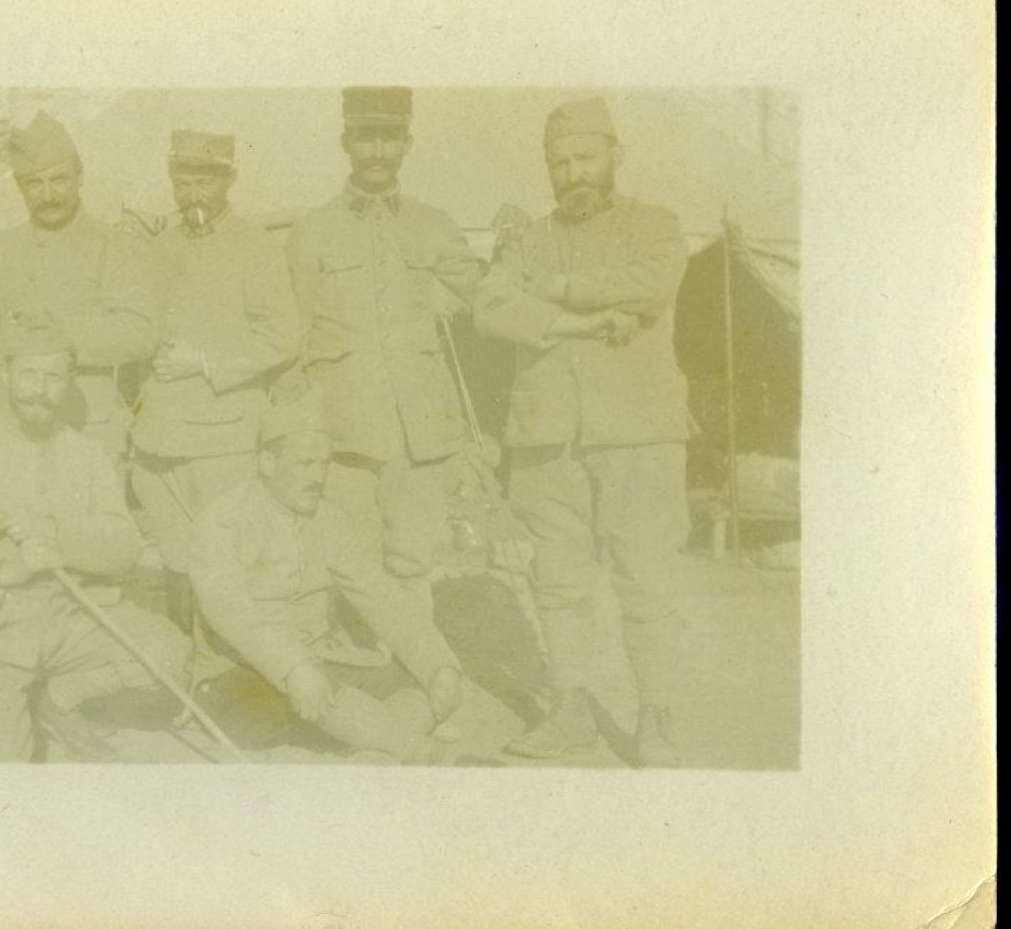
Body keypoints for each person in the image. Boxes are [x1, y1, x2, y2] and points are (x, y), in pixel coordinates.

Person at [472, 97, 693, 767]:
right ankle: (569, 711)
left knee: (646, 580)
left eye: (584, 158)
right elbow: (489, 308)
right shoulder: (527, 240)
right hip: (545, 438)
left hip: (639, 437)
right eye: (558, 162)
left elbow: (650, 285)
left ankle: (655, 718)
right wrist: (582, 320)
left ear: (615, 156)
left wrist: (560, 286)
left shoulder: (656, 226)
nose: (572, 173)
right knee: (556, 583)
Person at [0, 320, 192, 763]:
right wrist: (6, 568)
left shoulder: (86, 455)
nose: (40, 389)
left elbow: (124, 546)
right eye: (29, 375)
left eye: (53, 377)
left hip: (68, 620)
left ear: (70, 381)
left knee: (170, 658)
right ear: (5, 375)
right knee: (1, 767)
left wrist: (57, 538)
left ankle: (53, 698)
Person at [282, 85, 482, 718]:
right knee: (350, 568)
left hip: (422, 430)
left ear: (406, 144)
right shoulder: (312, 232)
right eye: (365, 136)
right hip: (344, 434)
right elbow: (291, 338)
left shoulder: (436, 224)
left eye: (388, 137)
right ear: (345, 142)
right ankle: (359, 702)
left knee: (411, 567)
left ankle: (424, 693)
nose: (376, 149)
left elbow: (486, 302)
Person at [188, 393, 474, 765]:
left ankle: (375, 748)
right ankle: (420, 751)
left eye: (323, 464)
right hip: (240, 672)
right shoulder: (221, 521)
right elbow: (232, 613)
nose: (317, 477)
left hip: (319, 662)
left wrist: (438, 664)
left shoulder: (329, 519)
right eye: (305, 464)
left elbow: (381, 595)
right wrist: (294, 666)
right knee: (294, 702)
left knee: (422, 681)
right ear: (268, 462)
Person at [131, 130, 299, 631]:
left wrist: (204, 360)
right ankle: (183, 665)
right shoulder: (156, 248)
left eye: (206, 180)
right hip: (161, 437)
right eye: (183, 181)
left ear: (231, 180)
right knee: (176, 558)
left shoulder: (256, 248)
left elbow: (281, 337)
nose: (193, 193)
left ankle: (239, 675)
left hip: (226, 438)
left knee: (231, 557)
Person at [0, 110, 159, 467]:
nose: (48, 195)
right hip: (14, 434)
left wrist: (58, 332)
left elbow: (142, 332)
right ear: (20, 187)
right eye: (34, 184)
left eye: (58, 180)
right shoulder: (1, 248)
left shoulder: (115, 247)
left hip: (88, 431)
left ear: (80, 175)